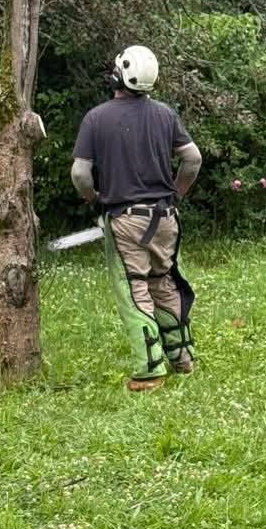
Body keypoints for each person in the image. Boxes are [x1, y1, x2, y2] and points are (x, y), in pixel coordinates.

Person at [70, 45, 202, 392]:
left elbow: (80, 174)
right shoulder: (165, 114)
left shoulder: (96, 118)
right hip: (165, 218)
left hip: (126, 220)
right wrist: (176, 193)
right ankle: (182, 357)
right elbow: (192, 159)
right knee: (163, 282)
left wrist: (93, 198)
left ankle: (150, 369)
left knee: (133, 289)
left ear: (119, 74)